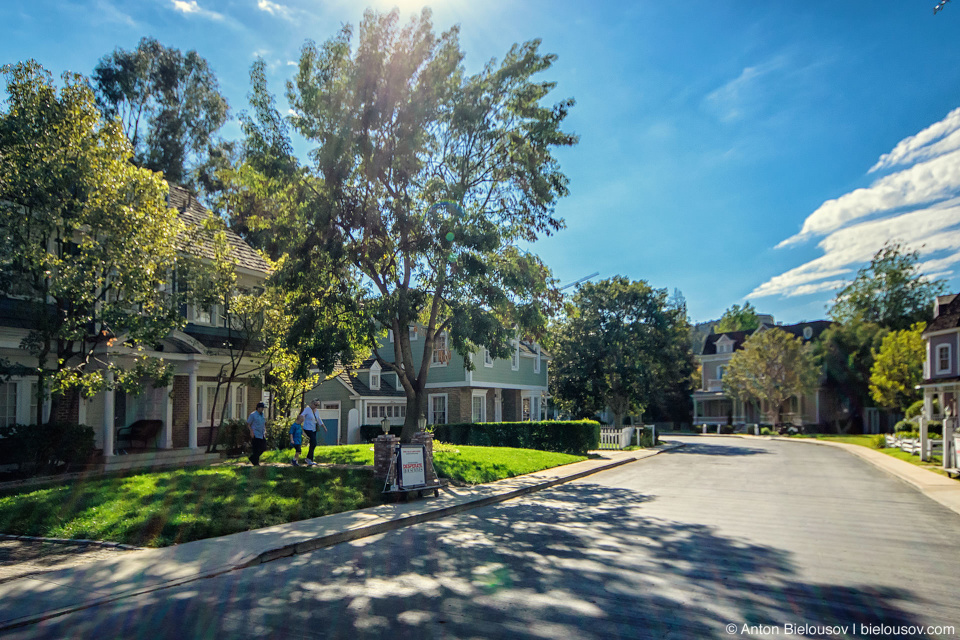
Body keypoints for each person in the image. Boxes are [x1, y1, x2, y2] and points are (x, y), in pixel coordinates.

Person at [299, 399, 327, 466]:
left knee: (313, 444)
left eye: (318, 405)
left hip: (313, 429)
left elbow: (318, 419)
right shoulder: (307, 409)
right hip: (307, 428)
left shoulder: (316, 411)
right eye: (315, 404)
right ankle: (309, 459)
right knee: (313, 442)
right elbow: (302, 415)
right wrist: (299, 423)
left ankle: (309, 459)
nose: (316, 406)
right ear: (311, 403)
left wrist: (324, 426)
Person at [247, 401, 267, 466]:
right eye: (262, 408)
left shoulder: (262, 415)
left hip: (261, 434)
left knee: (263, 448)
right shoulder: (253, 415)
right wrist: (251, 432)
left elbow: (263, 424)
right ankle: (256, 462)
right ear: (258, 408)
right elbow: (248, 424)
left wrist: (265, 431)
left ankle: (252, 458)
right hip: (255, 434)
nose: (262, 409)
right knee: (256, 449)